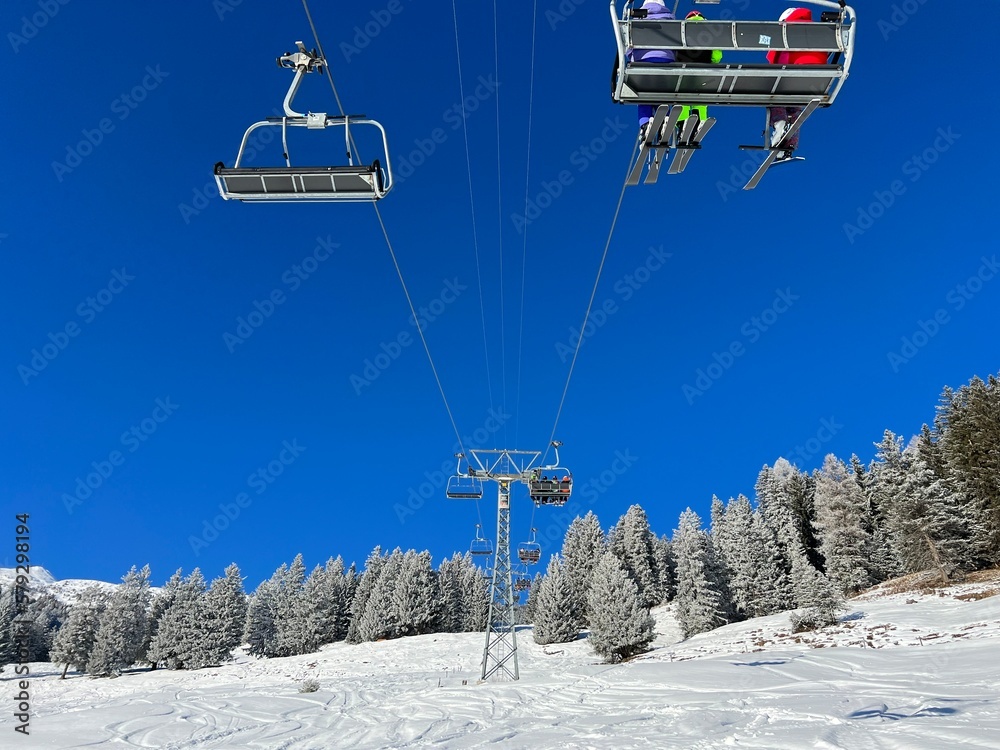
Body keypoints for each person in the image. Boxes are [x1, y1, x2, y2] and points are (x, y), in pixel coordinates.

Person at [767, 7, 828, 158]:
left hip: (793, 74)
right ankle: (788, 145)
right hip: (817, 78)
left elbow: (779, 60)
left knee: (772, 96)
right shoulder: (816, 30)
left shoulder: (787, 31)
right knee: (794, 108)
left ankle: (779, 123)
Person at [628, 1, 676, 137]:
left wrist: (633, 58)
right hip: (666, 62)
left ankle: (645, 124)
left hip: (643, 62)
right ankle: (664, 120)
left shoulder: (637, 20)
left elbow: (628, 47)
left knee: (643, 96)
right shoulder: (670, 19)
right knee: (661, 92)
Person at [674, 10, 723, 136]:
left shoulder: (681, 29)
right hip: (703, 71)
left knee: (682, 97)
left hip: (683, 71)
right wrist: (712, 61)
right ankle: (699, 121)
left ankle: (682, 124)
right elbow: (717, 56)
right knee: (700, 98)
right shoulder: (709, 31)